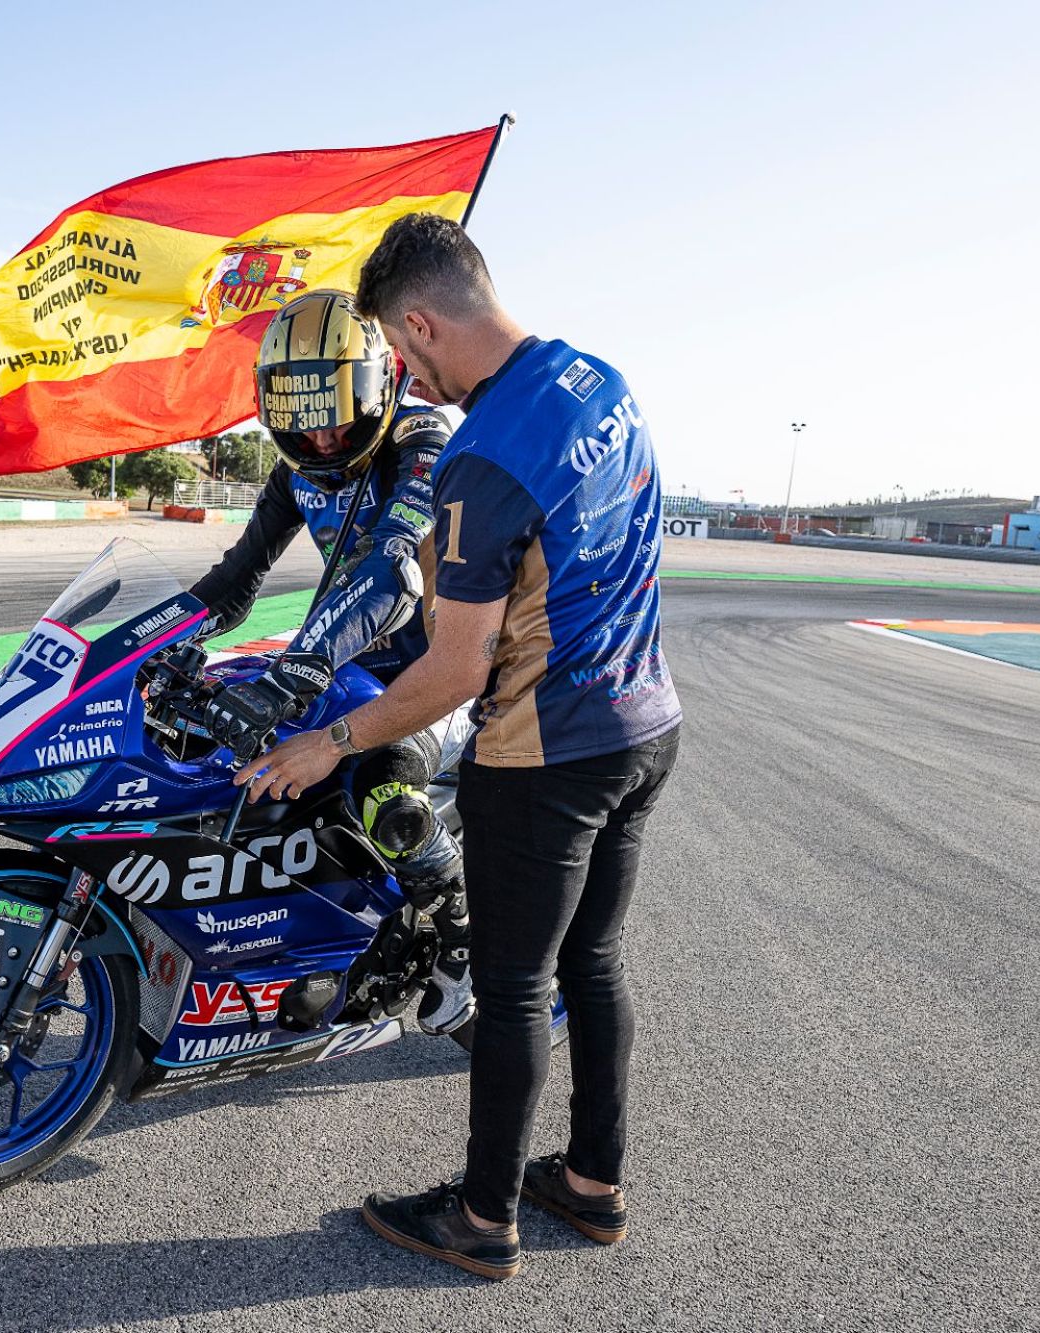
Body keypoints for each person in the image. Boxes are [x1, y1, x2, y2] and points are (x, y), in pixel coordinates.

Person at [237, 214, 683, 1279]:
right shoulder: (596, 379)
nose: (399, 369)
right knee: (595, 959)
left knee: (515, 984)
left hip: (545, 750)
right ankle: (590, 1183)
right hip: (647, 723)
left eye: (397, 344)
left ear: (425, 321)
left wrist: (322, 743)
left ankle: (482, 1219)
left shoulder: (477, 464)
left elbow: (451, 673)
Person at [189, 289, 475, 1036]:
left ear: (378, 384)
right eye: (297, 412)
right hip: (335, 664)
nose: (317, 436)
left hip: (430, 673)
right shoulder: (295, 473)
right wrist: (140, 648)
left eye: (334, 409)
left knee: (383, 791)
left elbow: (393, 576)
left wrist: (295, 673)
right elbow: (232, 581)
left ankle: (462, 934)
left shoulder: (422, 444)